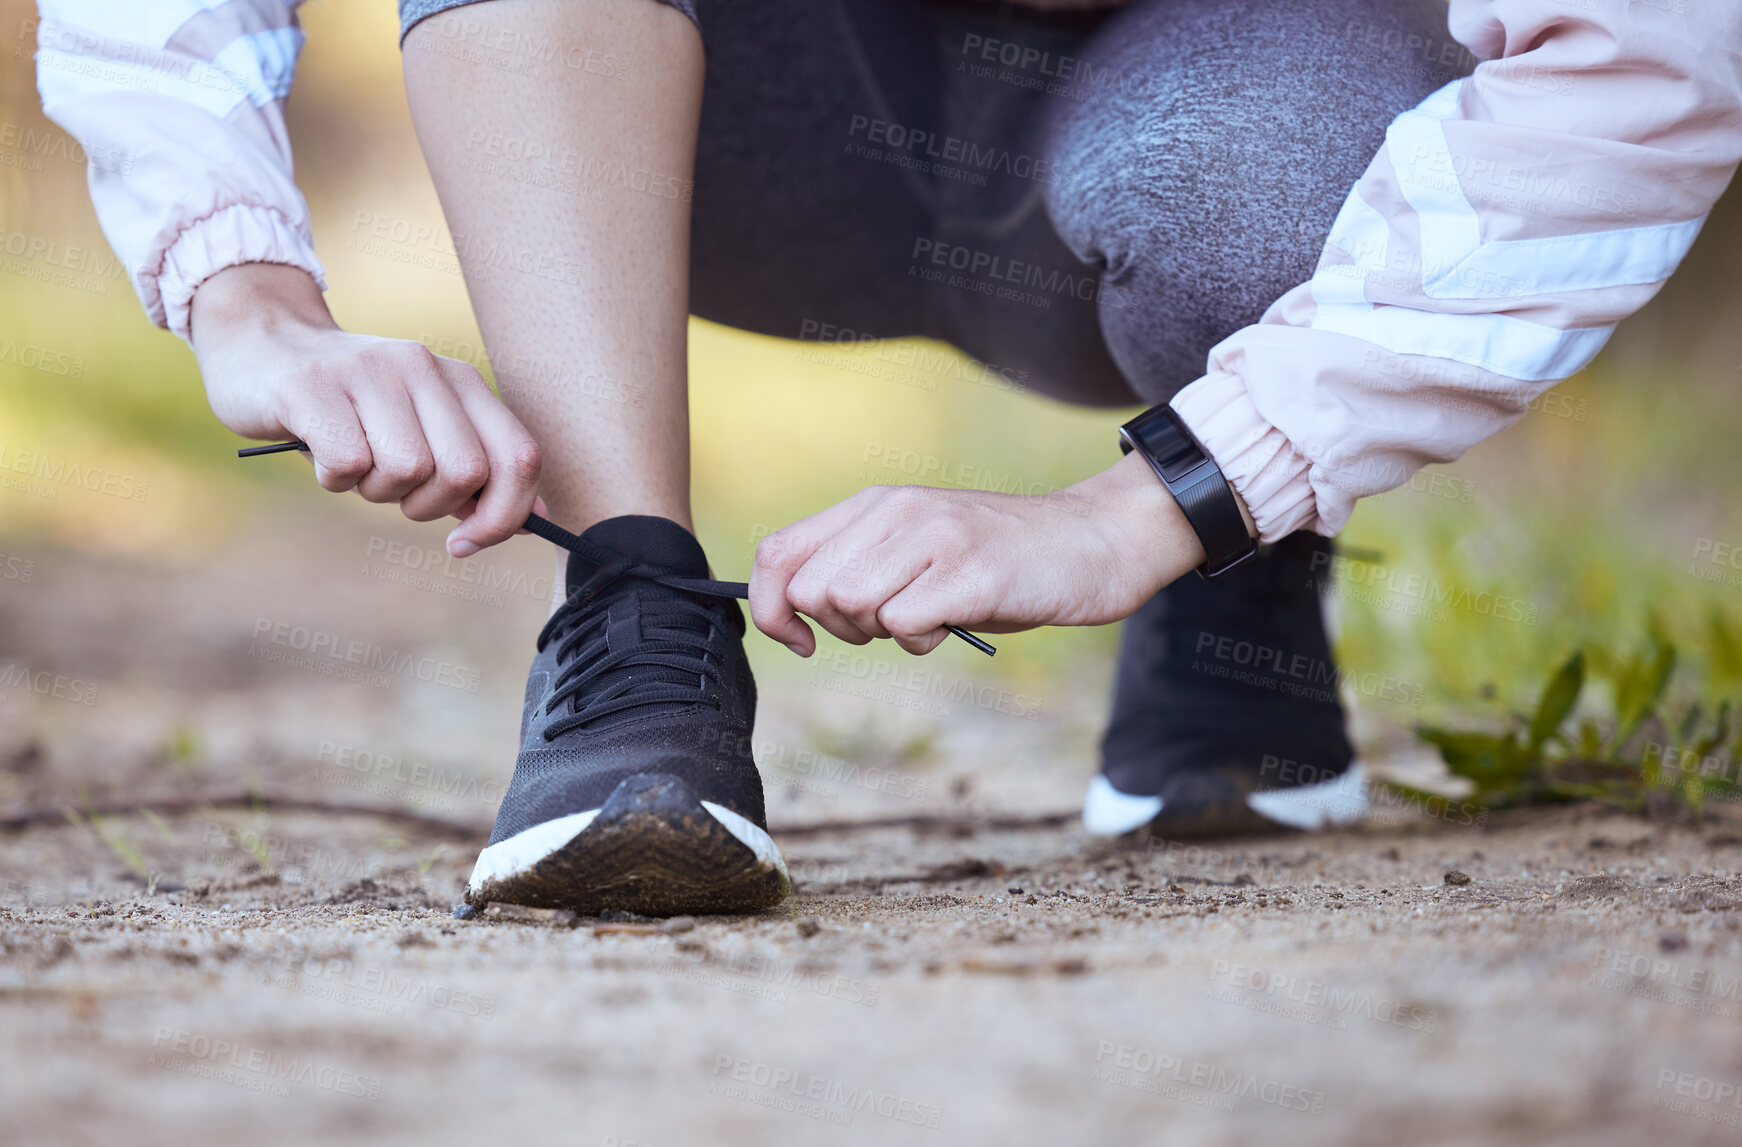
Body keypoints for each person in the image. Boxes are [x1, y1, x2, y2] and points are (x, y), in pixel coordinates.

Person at [35, 0, 1742, 914]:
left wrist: (1146, 505)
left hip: (1218, 96)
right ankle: (638, 632)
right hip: (749, 113)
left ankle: (1235, 549)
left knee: (1254, 173)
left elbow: (1636, 65)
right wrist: (238, 281)